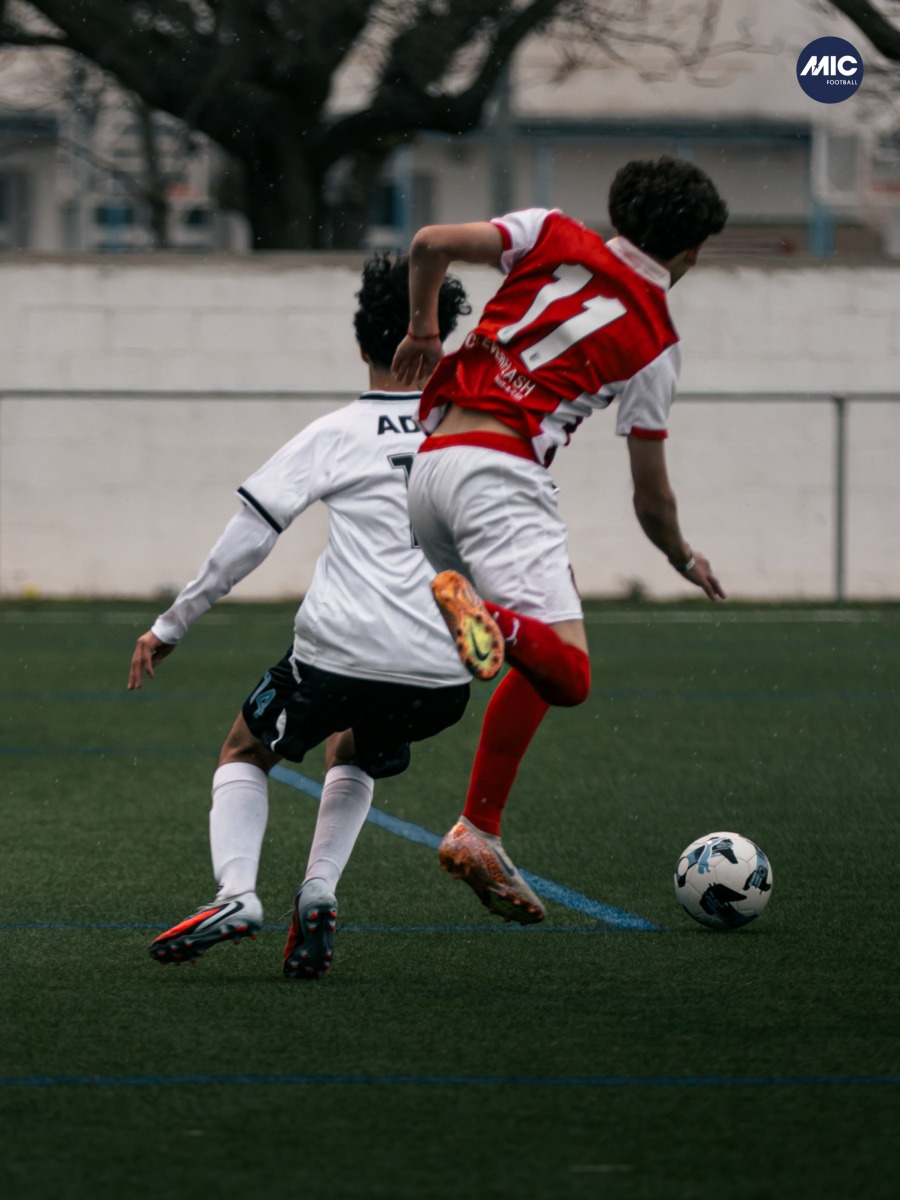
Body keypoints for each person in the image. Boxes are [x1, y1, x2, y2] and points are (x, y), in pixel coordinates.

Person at [391, 157, 729, 926]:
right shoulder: (656, 338)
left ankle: (479, 829)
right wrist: (681, 555)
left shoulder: (549, 230)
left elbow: (429, 243)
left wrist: (424, 330)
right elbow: (650, 496)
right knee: (569, 673)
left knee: (547, 647)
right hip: (501, 476)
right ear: (691, 250)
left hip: (431, 467)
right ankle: (489, 625)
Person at [128, 253, 472, 980]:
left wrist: (171, 624)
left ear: (362, 341)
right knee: (354, 748)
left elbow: (250, 536)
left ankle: (237, 894)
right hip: (442, 672)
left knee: (244, 751)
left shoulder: (339, 431)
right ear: (441, 339)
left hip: (337, 653)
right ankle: (318, 891)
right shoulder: (474, 434)